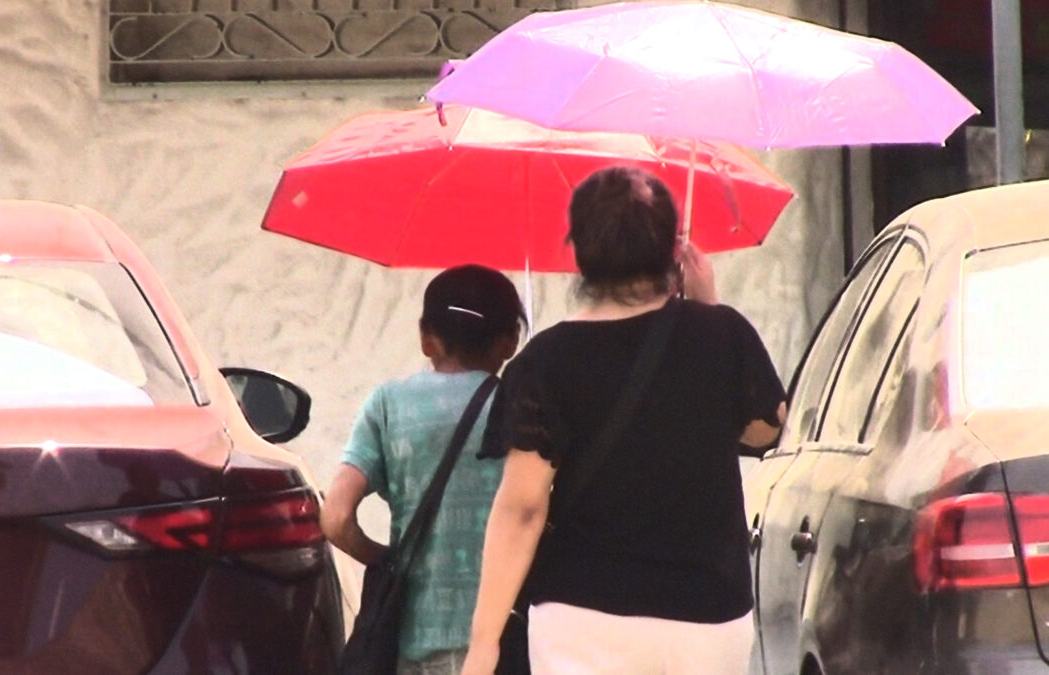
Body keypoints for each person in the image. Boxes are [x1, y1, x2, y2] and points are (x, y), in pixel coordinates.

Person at [461, 167, 788, 675]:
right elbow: (765, 430)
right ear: (671, 249)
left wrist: (484, 643)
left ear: (579, 250)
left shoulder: (543, 361)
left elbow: (522, 509)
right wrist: (708, 307)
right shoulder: (722, 334)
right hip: (706, 612)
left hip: (581, 613)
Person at [320, 264, 526, 675]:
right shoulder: (525, 408)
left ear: (426, 339)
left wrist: (388, 559)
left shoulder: (388, 404)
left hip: (416, 639)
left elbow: (336, 519)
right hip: (508, 636)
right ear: (510, 342)